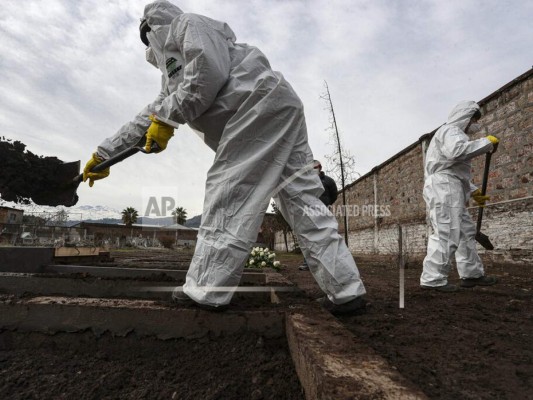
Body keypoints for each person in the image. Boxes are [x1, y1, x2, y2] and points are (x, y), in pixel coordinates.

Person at [83, 0, 367, 314]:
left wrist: (166, 120)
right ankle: (346, 290)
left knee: (230, 190)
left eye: (147, 37)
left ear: (154, 28)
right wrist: (104, 153)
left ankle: (207, 290)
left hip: (257, 106)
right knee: (301, 200)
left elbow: (207, 74)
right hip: (278, 106)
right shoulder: (172, 78)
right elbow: (152, 114)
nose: (149, 46)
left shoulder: (187, 25)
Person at [420, 100, 499, 292]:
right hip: (444, 187)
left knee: (466, 232)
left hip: (451, 185)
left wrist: (474, 192)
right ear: (465, 116)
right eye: (474, 119)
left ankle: (471, 274)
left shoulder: (455, 134)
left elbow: (455, 171)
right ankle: (433, 279)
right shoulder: (450, 131)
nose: (475, 124)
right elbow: (458, 152)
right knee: (446, 230)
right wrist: (486, 143)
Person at [299, 160, 338, 271]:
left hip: (324, 212)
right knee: (309, 236)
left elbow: (334, 195)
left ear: (320, 167)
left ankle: (327, 263)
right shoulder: (307, 181)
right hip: (310, 213)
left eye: (315, 168)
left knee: (326, 236)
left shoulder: (329, 181)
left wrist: (326, 204)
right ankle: (308, 263)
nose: (313, 170)